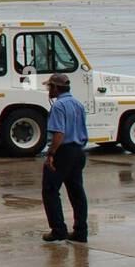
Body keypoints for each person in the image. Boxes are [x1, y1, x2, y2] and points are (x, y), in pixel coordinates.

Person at [41, 73, 89, 244]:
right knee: (77, 192)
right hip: (78, 151)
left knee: (50, 190)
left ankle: (58, 229)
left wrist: (51, 154)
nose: (48, 90)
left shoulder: (59, 106)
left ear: (55, 88)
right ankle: (81, 232)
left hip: (63, 152)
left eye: (49, 87)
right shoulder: (78, 104)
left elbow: (59, 133)